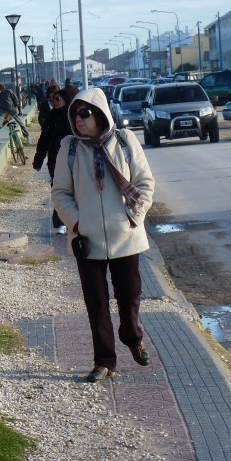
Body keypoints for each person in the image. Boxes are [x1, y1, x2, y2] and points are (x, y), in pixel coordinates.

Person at [51, 87, 155, 383]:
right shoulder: (70, 148)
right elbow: (60, 192)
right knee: (96, 302)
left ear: (100, 113)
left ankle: (132, 336)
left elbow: (145, 184)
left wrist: (133, 217)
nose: (79, 119)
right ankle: (104, 361)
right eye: (74, 114)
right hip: (88, 239)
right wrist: (77, 224)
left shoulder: (124, 141)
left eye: (85, 113)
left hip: (125, 235)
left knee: (130, 295)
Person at [32, 85, 77, 233]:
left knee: (76, 190)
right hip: (55, 159)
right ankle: (59, 223)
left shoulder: (74, 116)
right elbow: (44, 138)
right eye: (54, 99)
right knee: (59, 190)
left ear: (66, 100)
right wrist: (38, 160)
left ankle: (75, 220)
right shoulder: (51, 116)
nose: (55, 101)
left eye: (58, 99)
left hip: (74, 159)